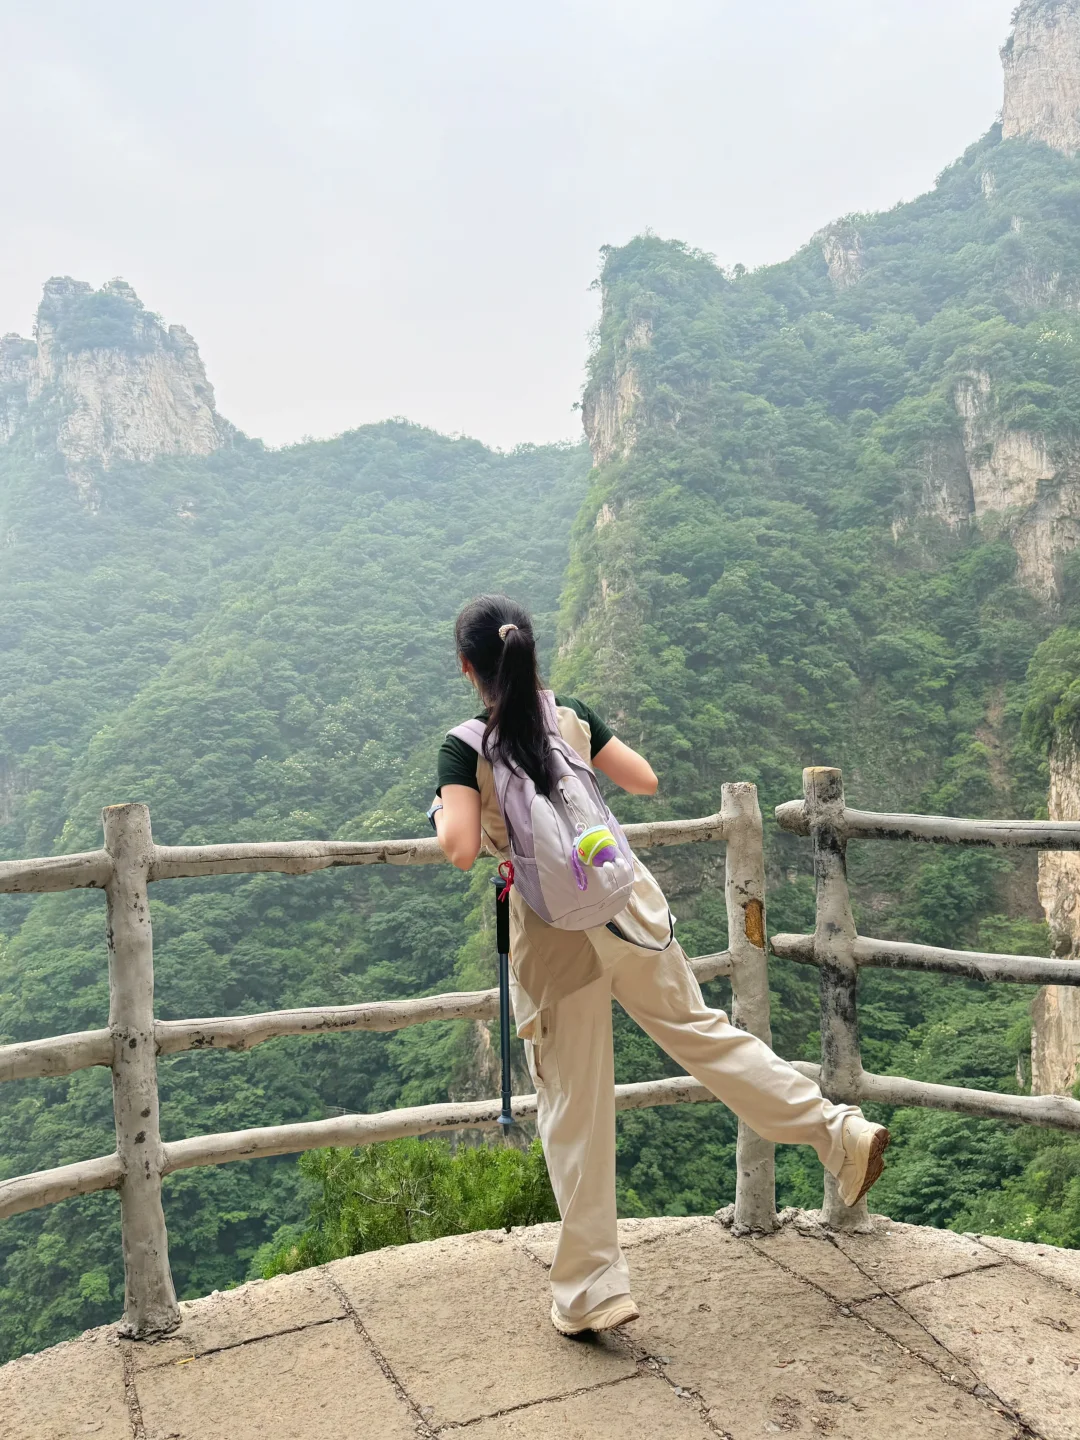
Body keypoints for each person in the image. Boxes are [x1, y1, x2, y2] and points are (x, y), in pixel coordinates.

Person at [429, 594, 889, 1337]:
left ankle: (592, 1293)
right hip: (628, 909)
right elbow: (641, 779)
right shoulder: (569, 716)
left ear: (467, 668)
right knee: (708, 1036)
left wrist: (458, 812)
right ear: (531, 653)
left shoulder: (464, 747)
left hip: (555, 942)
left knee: (575, 1110)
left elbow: (455, 848)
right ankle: (837, 1133)